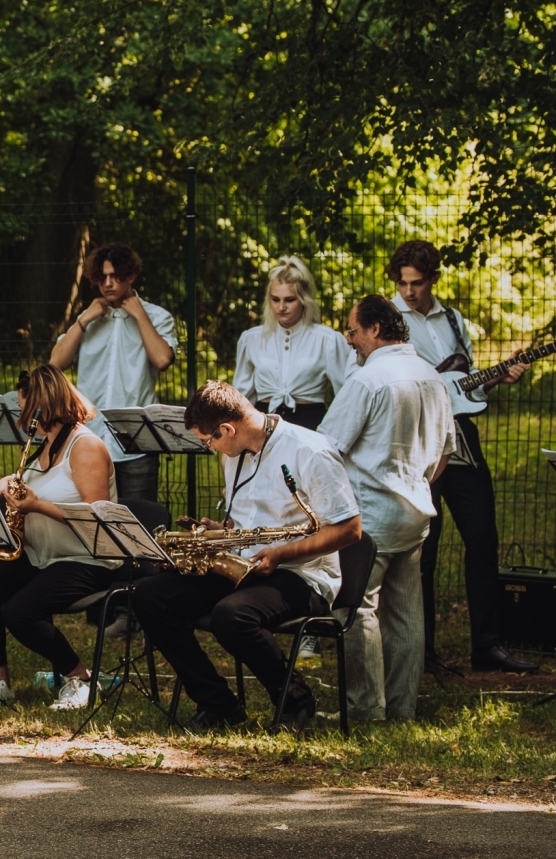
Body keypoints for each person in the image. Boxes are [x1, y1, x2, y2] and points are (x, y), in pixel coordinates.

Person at [133, 381, 362, 734]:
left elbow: (349, 530)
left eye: (210, 441)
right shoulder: (235, 453)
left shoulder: (309, 450)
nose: (211, 448)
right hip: (243, 566)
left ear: (227, 429)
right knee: (150, 596)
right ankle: (218, 704)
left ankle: (296, 701)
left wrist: (281, 554)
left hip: (302, 574)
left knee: (232, 616)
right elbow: (246, 522)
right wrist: (219, 530)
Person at [387, 240, 535, 675]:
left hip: (461, 437)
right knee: (423, 550)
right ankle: (424, 653)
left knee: (482, 537)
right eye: (402, 283)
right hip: (416, 441)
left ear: (433, 279)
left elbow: (464, 387)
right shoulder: (390, 320)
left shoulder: (452, 320)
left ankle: (486, 647)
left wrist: (497, 378)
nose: (409, 292)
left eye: (416, 283)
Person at [318, 295, 454, 722]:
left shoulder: (367, 380)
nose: (350, 340)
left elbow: (327, 449)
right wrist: (414, 483)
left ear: (375, 329)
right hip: (414, 512)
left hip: (370, 517)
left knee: (357, 609)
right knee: (406, 614)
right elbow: (446, 453)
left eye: (353, 330)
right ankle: (402, 708)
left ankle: (365, 710)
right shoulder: (431, 376)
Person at [0, 365, 120, 711]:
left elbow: (99, 518)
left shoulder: (85, 446)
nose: (22, 418)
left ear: (43, 405)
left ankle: (80, 678)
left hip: (86, 559)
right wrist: (9, 483)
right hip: (44, 555)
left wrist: (36, 504)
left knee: (20, 612)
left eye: (25, 409)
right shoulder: (44, 447)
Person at [49, 244, 177, 502]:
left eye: (116, 276)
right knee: (93, 518)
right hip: (89, 437)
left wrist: (139, 315)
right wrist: (83, 320)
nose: (108, 284)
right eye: (102, 277)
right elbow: (55, 363)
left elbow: (163, 359)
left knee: (139, 522)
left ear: (131, 275)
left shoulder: (156, 316)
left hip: (136, 443)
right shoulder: (88, 318)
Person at [233, 256, 354, 431]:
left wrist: (334, 434)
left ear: (304, 300)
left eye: (289, 300)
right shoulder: (251, 339)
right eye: (275, 299)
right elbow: (241, 397)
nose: (281, 307)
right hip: (261, 429)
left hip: (310, 426)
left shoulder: (327, 340)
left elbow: (346, 395)